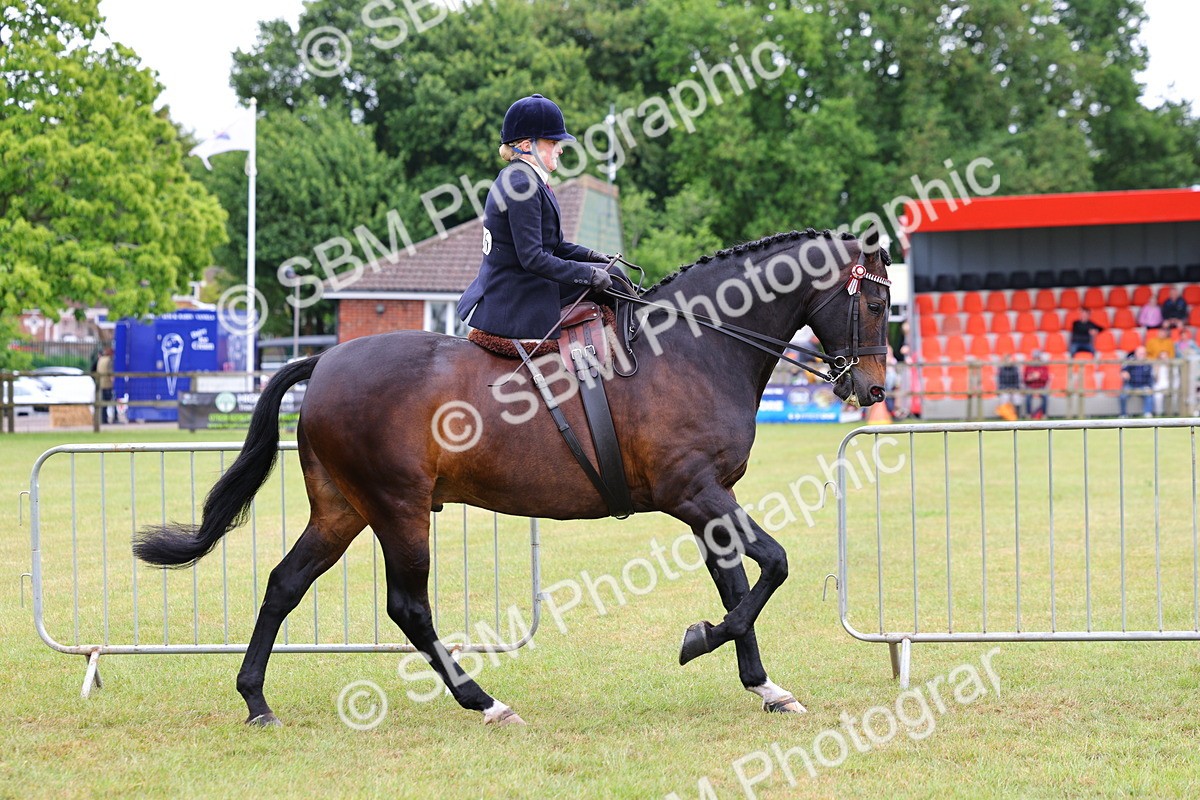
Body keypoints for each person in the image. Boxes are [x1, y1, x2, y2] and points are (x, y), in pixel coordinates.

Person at [456, 94, 615, 340]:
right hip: (519, 292)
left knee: (613, 272)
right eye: (553, 142)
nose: (560, 150)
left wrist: (591, 256)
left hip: (524, 280)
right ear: (527, 145)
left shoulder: (526, 178)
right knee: (615, 279)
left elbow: (555, 245)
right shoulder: (521, 185)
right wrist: (589, 274)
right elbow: (533, 258)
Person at [1120, 346, 1155, 417]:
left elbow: (1150, 378)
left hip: (1143, 385)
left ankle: (1147, 413)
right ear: (1136, 353)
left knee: (1149, 394)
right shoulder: (1131, 361)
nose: (1142, 355)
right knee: (1122, 395)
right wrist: (1124, 372)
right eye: (1140, 353)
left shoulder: (1148, 364)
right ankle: (1123, 414)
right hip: (1131, 385)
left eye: (1143, 353)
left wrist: (1149, 387)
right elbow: (1123, 370)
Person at [1023, 350, 1050, 419]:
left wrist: (1039, 376)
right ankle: (1028, 414)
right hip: (1031, 386)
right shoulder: (1028, 366)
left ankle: (1044, 414)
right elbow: (1025, 379)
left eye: (1037, 358)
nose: (1036, 359)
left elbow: (1046, 378)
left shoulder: (1044, 367)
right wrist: (1030, 378)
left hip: (1041, 386)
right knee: (1027, 396)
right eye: (1035, 358)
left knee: (1045, 396)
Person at [995, 353, 1022, 420]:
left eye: (1009, 359)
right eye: (1007, 360)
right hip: (1005, 389)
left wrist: (1013, 388)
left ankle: (1017, 416)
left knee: (1017, 397)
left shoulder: (1015, 369)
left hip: (1014, 388)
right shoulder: (1001, 369)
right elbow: (1000, 382)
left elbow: (1017, 381)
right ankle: (1004, 416)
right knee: (1004, 397)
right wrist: (1005, 388)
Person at [95, 346, 116, 424]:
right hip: (108, 384)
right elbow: (110, 373)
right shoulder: (109, 360)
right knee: (113, 401)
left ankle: (103, 419)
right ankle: (115, 418)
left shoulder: (101, 360)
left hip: (101, 383)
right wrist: (114, 382)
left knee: (103, 403)